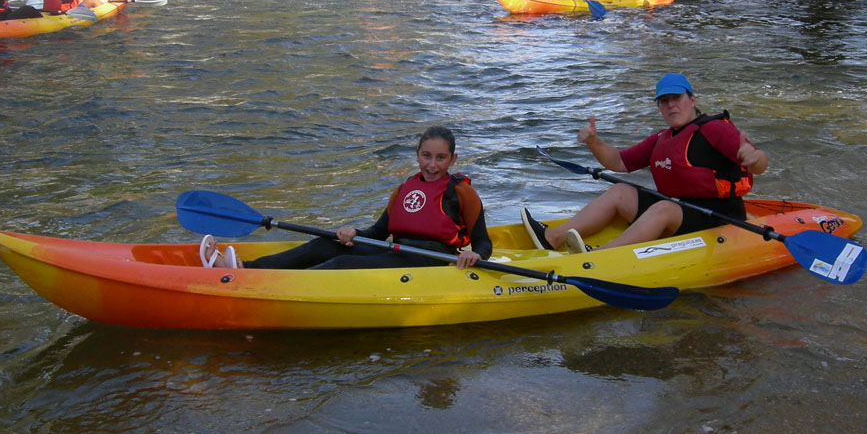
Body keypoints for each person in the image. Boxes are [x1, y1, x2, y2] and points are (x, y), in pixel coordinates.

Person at [521, 73, 768, 254]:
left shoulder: (714, 129)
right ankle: (552, 237)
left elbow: (760, 164)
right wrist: (594, 142)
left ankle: (600, 256)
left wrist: (754, 158)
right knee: (620, 191)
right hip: (680, 212)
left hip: (719, 218)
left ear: (692, 99)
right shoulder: (661, 138)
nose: (671, 105)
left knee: (664, 208)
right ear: (659, 107)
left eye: (676, 98)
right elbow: (619, 162)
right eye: (664, 101)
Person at [201, 126, 493, 270]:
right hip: (396, 252)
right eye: (426, 156)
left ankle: (266, 284)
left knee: (342, 263)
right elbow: (378, 233)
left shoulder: (461, 191)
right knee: (327, 244)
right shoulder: (405, 188)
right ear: (417, 155)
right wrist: (354, 232)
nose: (432, 164)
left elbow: (483, 242)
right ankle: (248, 269)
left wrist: (475, 255)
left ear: (452, 159)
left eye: (440, 158)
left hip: (431, 261)